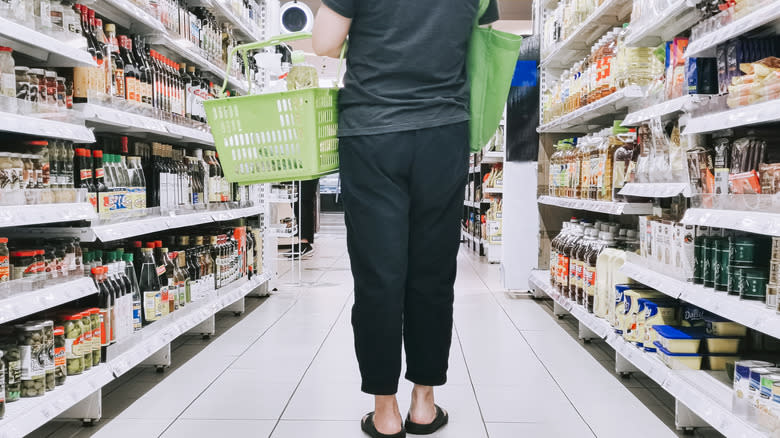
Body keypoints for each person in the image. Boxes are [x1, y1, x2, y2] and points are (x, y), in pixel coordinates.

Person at [313, 1, 499, 437]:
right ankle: (423, 402)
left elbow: (324, 41)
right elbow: (484, 39)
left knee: (379, 275)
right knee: (432, 274)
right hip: (443, 130)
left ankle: (384, 410)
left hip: (373, 131)